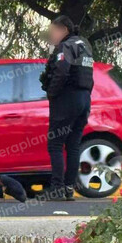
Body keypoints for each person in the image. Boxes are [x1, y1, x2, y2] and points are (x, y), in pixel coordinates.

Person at [39, 15, 94, 201]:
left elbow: (62, 71)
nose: (52, 35)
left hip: (67, 99)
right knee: (73, 145)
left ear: (64, 29)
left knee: (54, 143)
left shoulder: (65, 46)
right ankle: (69, 189)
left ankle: (56, 189)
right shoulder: (85, 45)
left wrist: (52, 93)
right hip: (84, 99)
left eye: (53, 31)